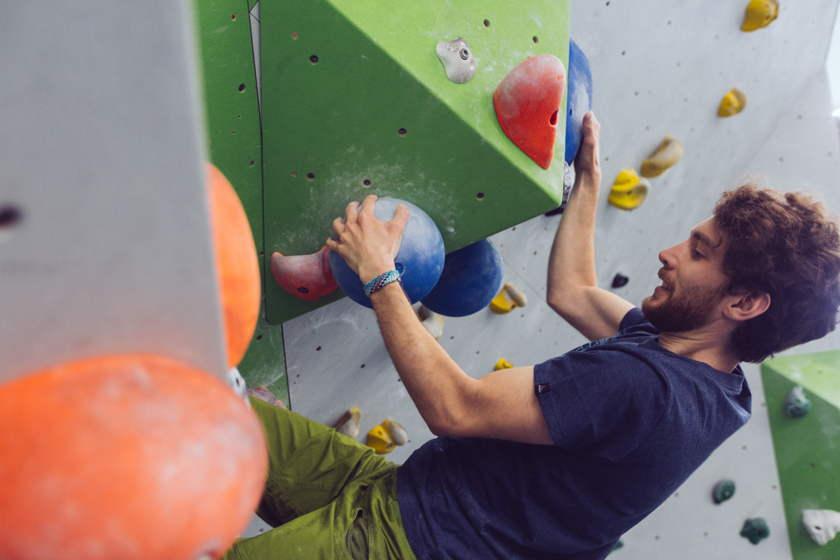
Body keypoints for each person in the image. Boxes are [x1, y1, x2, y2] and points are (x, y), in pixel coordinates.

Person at [224, 113, 840, 559]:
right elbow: (572, 291)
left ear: (744, 302)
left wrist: (380, 275)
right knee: (219, 419)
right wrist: (588, 183)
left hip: (411, 544)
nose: (669, 252)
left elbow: (455, 409)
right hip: (408, 494)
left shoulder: (642, 390)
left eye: (699, 253)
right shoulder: (711, 376)